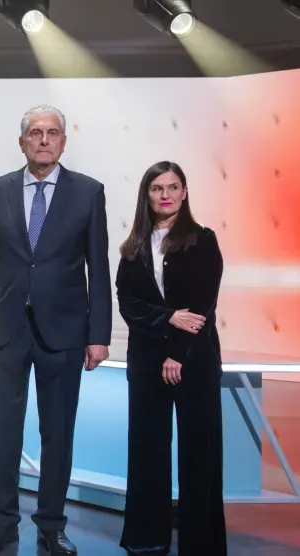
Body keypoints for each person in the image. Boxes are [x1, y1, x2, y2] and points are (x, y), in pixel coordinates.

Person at [0, 105, 111, 556]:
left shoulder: (88, 192)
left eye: (52, 133)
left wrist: (99, 333)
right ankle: (2, 523)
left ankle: (52, 524)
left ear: (63, 142)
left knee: (58, 434)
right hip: (4, 330)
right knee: (3, 433)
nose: (43, 140)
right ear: (22, 141)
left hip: (65, 333)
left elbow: (98, 268)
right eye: (35, 133)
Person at [116, 162, 227, 556]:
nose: (166, 194)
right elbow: (128, 302)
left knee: (200, 452)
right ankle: (147, 537)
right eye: (157, 188)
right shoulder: (132, 247)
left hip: (194, 362)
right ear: (146, 194)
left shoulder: (203, 240)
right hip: (146, 363)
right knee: (147, 450)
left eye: (173, 187)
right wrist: (166, 320)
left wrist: (176, 354)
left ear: (184, 192)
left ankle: (203, 544)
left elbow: (202, 306)